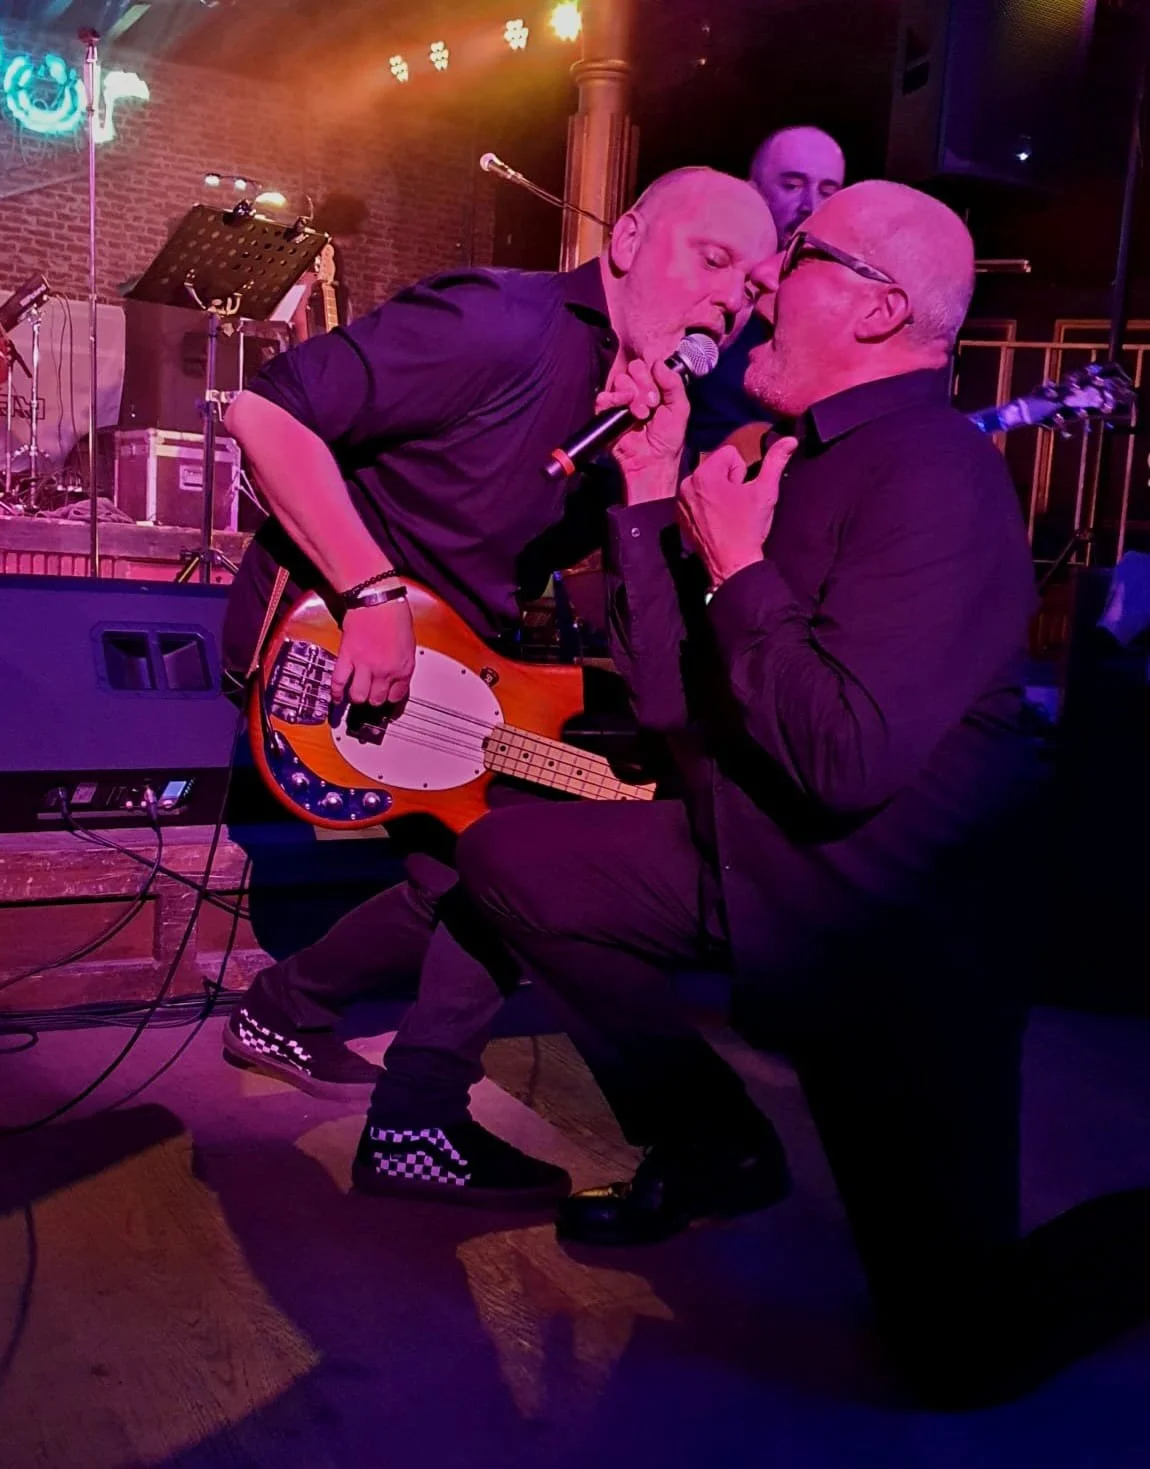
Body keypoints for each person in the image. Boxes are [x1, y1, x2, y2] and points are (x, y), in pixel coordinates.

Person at [450, 179, 1150, 1407]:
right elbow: (675, 708)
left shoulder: (933, 479)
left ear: (879, 309)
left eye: (801, 257)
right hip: (765, 866)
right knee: (518, 861)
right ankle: (715, 1136)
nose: (763, 283)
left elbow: (842, 753)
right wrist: (655, 493)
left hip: (896, 950)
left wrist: (732, 563)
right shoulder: (790, 458)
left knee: (957, 1349)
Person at [220, 169, 777, 1205]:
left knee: (497, 858)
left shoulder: (636, 399)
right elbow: (263, 414)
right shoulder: (499, 323)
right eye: (712, 260)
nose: (728, 300)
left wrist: (649, 484)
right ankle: (411, 1114)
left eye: (748, 290)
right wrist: (368, 587)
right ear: (629, 238)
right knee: (520, 850)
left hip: (456, 660)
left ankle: (291, 1013)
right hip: (324, 640)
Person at [686, 125, 846, 456]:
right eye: (792, 185)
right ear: (753, 192)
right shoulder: (704, 286)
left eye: (828, 191)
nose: (810, 205)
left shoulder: (844, 308)